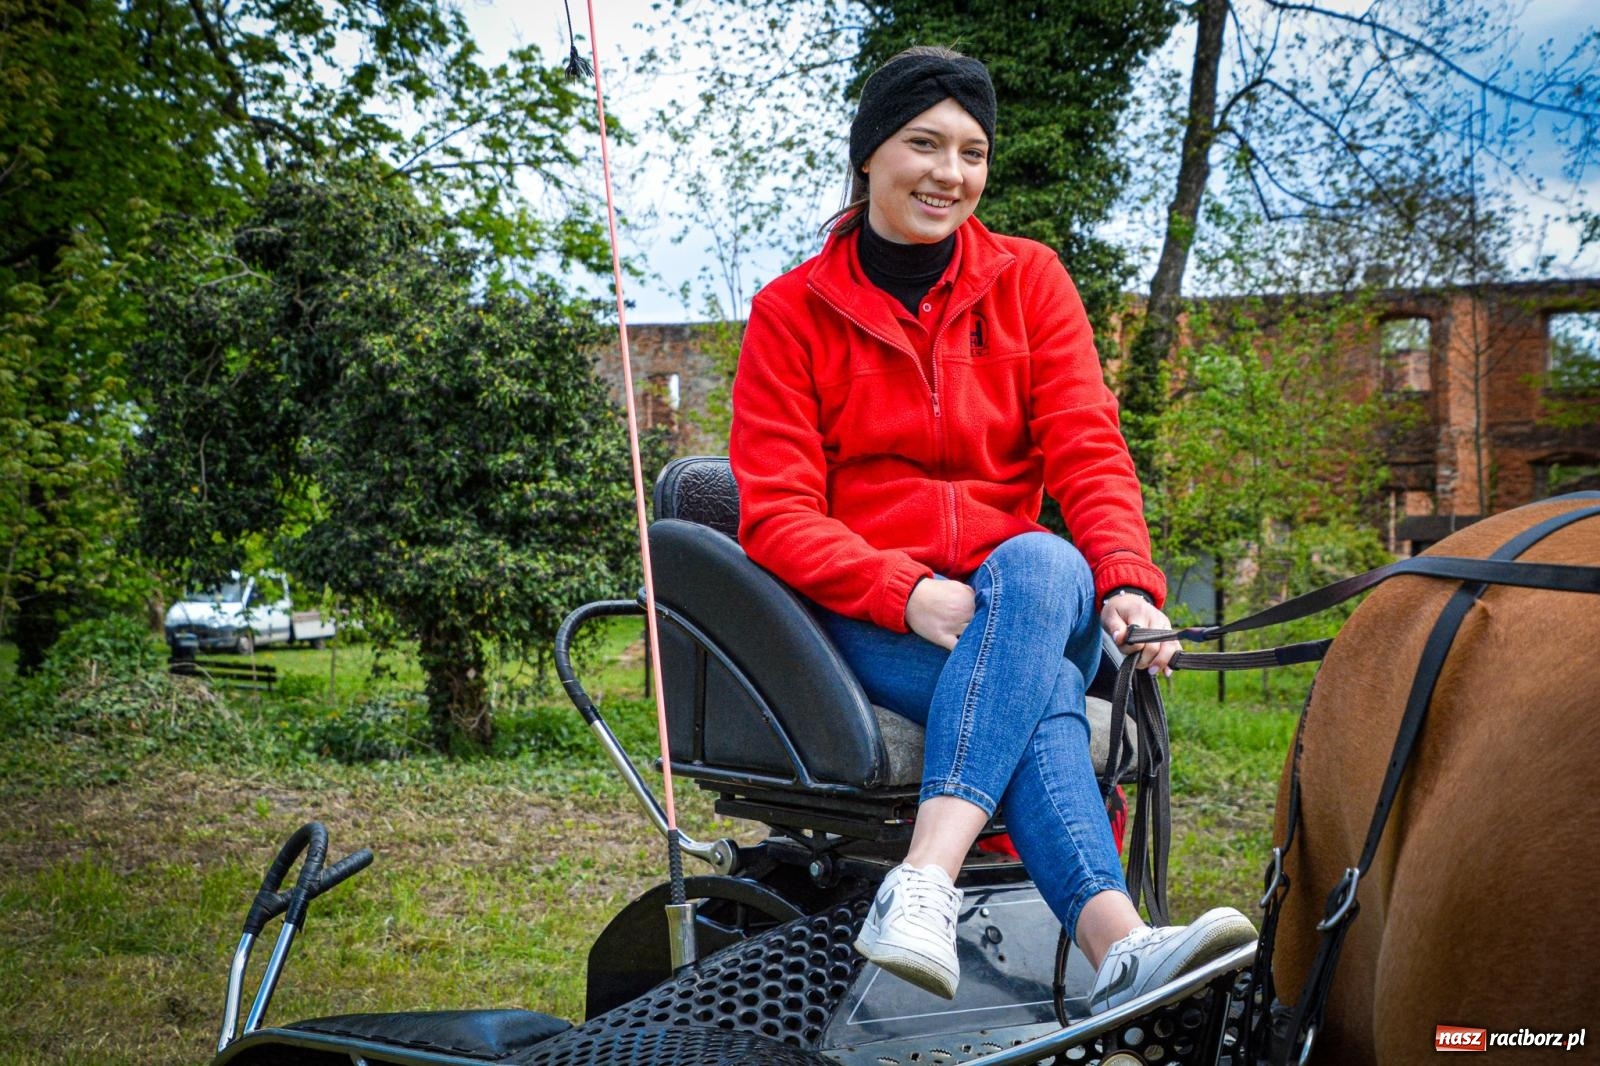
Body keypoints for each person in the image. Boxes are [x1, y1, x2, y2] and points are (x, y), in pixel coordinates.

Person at [726, 46, 1255, 1010]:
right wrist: (905, 591)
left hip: (1023, 590)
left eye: (972, 152)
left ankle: (922, 879)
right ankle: (1124, 945)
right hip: (876, 613)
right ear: (869, 156)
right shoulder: (791, 312)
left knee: (1048, 560)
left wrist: (1130, 584)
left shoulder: (1031, 279)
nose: (950, 173)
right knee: (1045, 683)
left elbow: (1087, 450)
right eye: (924, 144)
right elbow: (777, 516)